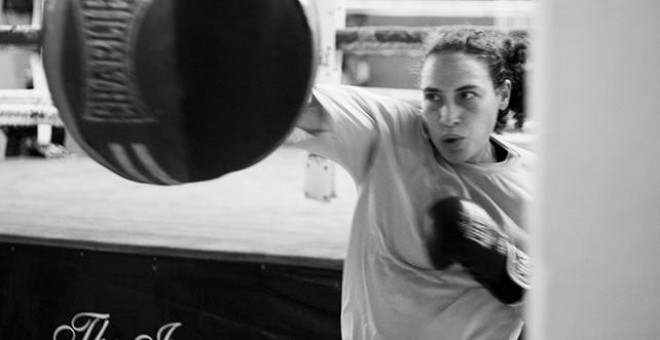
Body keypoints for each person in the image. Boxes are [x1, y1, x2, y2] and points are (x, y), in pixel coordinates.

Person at [293, 25, 532, 339]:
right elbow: (293, 107)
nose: (447, 115)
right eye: (433, 97)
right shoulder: (388, 134)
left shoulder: (536, 189)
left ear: (502, 95)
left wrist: (507, 272)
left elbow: (565, 316)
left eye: (467, 95)